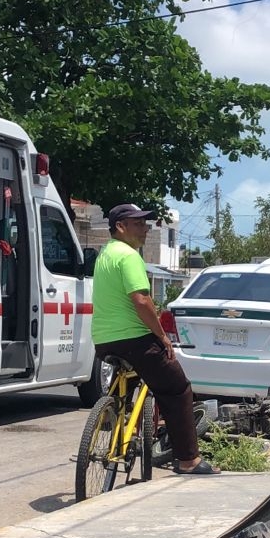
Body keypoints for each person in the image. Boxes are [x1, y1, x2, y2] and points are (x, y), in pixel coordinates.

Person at [92, 203, 218, 475]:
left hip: (103, 341)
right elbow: (141, 300)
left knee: (133, 381)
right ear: (120, 227)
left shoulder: (105, 255)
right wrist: (162, 337)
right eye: (138, 224)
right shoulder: (128, 256)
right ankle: (188, 460)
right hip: (135, 340)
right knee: (178, 389)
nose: (145, 229)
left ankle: (116, 420)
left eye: (145, 224)